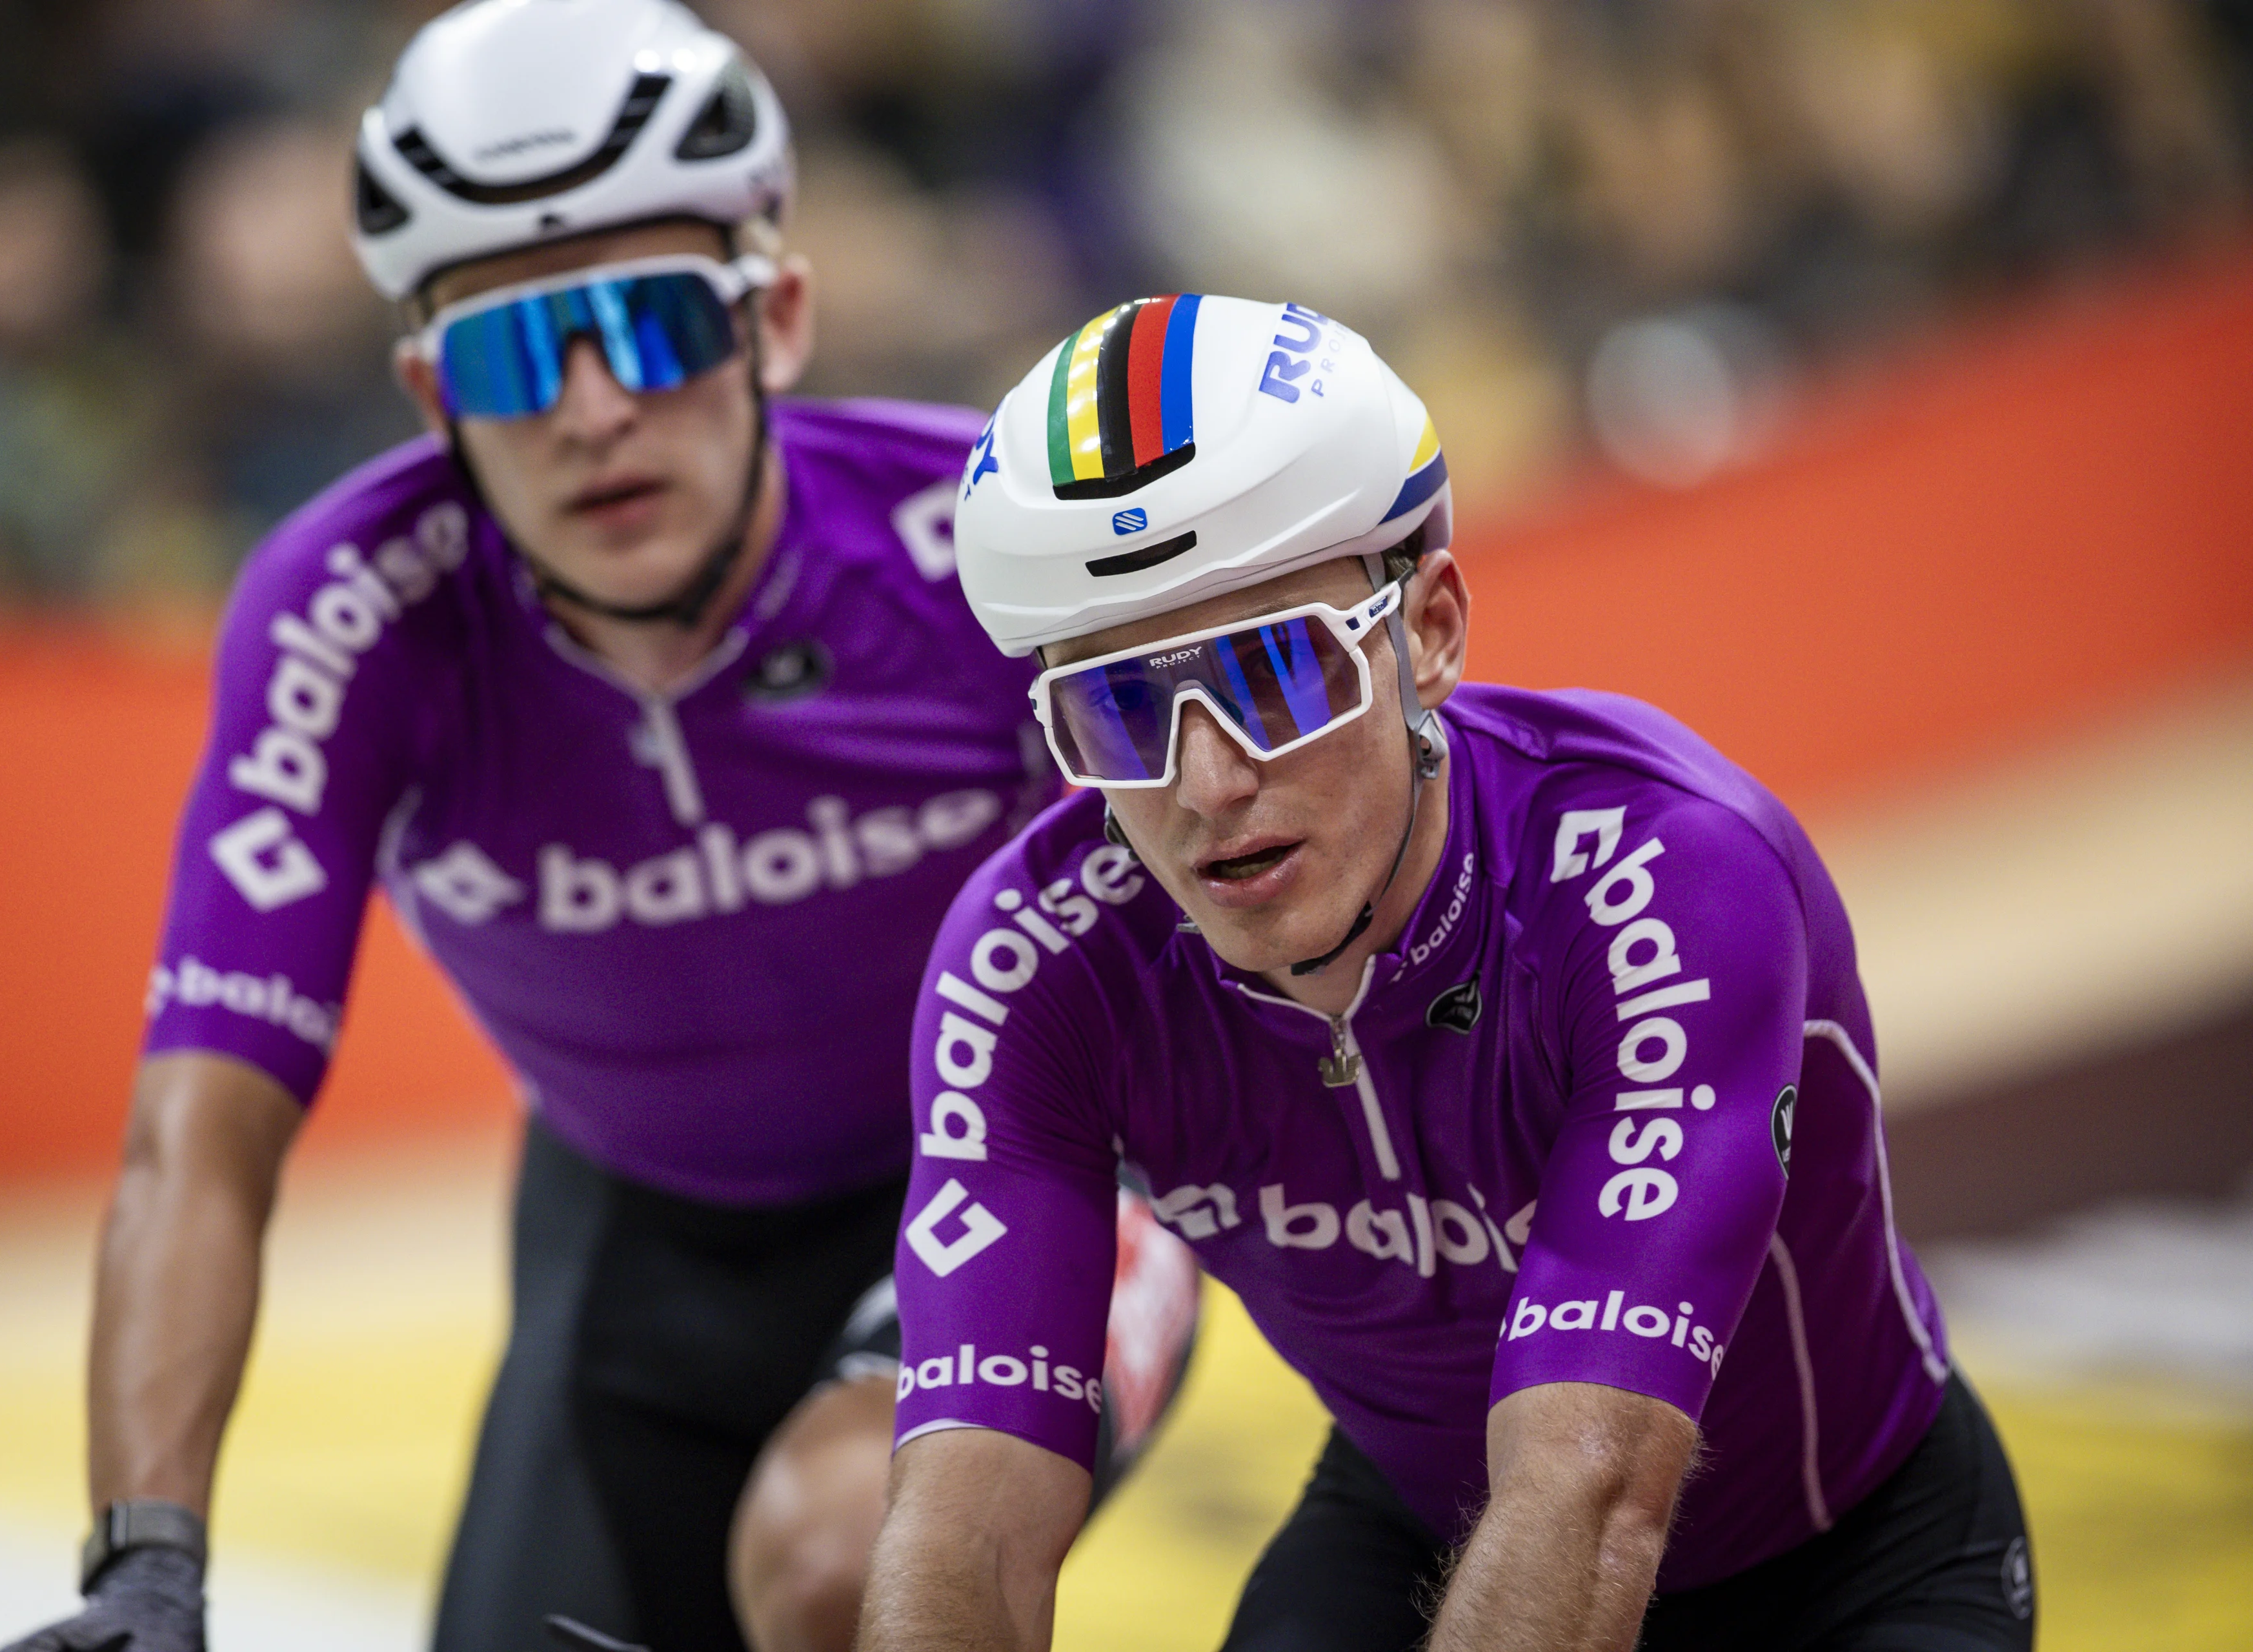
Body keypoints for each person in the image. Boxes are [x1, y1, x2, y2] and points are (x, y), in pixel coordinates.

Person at [0, 6, 1197, 1652]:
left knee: (850, 1562)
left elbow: (1238, 932)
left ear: (773, 319)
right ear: (433, 394)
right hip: (638, 1230)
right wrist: (147, 1560)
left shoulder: (974, 552)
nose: (586, 409)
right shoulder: (352, 617)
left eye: (647, 325)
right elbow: (198, 1135)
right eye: (510, 352)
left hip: (1027, 1161)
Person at [858, 293, 2036, 1651]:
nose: (1209, 781)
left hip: (1841, 1563)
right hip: (1419, 1526)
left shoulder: (1664, 876)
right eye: (1119, 707)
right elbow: (966, 1514)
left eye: (1275, 674)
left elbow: (1587, 1488)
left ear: (1427, 629)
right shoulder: (1037, 965)